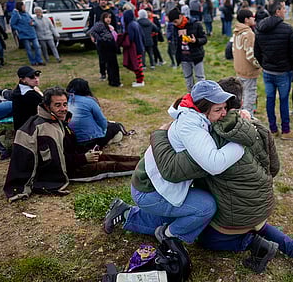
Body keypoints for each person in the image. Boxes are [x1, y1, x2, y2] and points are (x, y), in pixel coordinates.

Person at [129, 77, 293, 273]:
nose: (221, 112)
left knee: (205, 233)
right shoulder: (255, 128)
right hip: (261, 206)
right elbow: (274, 168)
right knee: (257, 223)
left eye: (222, 107)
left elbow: (171, 169)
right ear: (240, 104)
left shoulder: (209, 142)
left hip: (232, 216)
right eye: (218, 108)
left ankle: (255, 244)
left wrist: (159, 134)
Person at [102, 80, 243, 248]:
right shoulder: (191, 127)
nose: (224, 114)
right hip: (148, 190)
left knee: (182, 214)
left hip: (151, 183)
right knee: (205, 208)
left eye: (225, 108)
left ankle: (125, 213)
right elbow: (214, 164)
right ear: (203, 110)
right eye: (218, 110)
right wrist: (242, 143)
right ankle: (169, 235)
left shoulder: (197, 118)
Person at [4, 86, 141, 202]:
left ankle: (143, 162)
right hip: (68, 171)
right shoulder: (46, 130)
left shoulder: (56, 121)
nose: (63, 108)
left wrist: (87, 153)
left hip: (75, 159)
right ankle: (145, 169)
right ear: (47, 106)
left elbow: (68, 149)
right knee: (109, 166)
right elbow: (55, 164)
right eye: (57, 105)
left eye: (65, 104)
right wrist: (84, 158)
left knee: (107, 157)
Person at [254, 0, 293, 140]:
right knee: (284, 101)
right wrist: (291, 69)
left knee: (270, 100)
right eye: (284, 8)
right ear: (277, 10)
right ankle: (285, 131)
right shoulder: (287, 29)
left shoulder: (260, 28)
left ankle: (273, 129)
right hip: (281, 72)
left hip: (268, 71)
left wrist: (265, 64)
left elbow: (257, 52)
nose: (285, 11)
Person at [66, 78, 124, 151]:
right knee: (115, 127)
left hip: (70, 141)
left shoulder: (64, 101)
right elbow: (102, 122)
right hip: (90, 141)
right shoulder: (90, 101)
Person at [167, 8, 208, 91]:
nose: (174, 24)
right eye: (172, 22)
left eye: (175, 21)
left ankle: (203, 96)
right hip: (183, 57)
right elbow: (175, 40)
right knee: (188, 79)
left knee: (200, 78)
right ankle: (191, 96)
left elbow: (204, 39)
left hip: (196, 56)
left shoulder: (195, 24)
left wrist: (196, 41)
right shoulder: (175, 28)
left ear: (180, 16)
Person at [232, 9, 262, 116]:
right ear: (246, 20)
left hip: (239, 68)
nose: (254, 18)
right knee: (250, 95)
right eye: (252, 17)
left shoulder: (236, 32)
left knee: (242, 94)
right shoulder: (249, 34)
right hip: (249, 70)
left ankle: (241, 115)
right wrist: (259, 65)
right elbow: (250, 55)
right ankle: (248, 118)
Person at [87, 0, 118, 80]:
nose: (103, 2)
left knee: (110, 56)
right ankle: (103, 73)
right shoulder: (94, 11)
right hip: (99, 36)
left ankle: (110, 73)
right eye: (101, 0)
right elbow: (90, 24)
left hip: (109, 37)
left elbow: (115, 24)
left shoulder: (110, 11)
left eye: (105, 0)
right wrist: (92, 36)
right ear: (99, 1)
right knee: (101, 56)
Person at [87, 13, 122, 87]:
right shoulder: (100, 25)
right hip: (105, 47)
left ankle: (113, 81)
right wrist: (99, 39)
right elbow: (90, 31)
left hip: (111, 47)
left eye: (110, 17)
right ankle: (114, 82)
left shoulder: (109, 26)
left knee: (112, 65)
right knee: (112, 65)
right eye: (106, 17)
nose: (108, 19)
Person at [10, 2, 44, 66]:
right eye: (23, 6)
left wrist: (33, 24)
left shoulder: (27, 13)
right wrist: (20, 29)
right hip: (24, 35)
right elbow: (12, 24)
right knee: (29, 49)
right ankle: (33, 62)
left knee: (37, 47)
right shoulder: (16, 15)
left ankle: (39, 60)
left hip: (32, 33)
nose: (24, 7)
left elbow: (33, 21)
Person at [12, 66, 43, 131]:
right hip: (29, 129)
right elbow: (48, 105)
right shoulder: (30, 95)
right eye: (32, 77)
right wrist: (39, 92)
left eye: (37, 75)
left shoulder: (18, 90)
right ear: (23, 80)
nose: (36, 79)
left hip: (21, 127)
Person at [120, 9, 146, 87]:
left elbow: (130, 38)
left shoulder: (130, 26)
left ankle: (140, 81)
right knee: (139, 64)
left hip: (135, 49)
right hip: (140, 46)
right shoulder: (136, 23)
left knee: (137, 65)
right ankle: (140, 80)